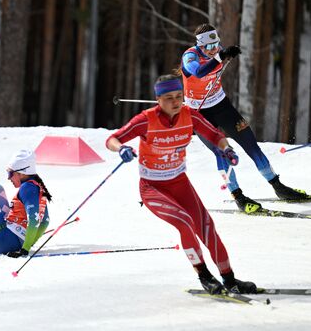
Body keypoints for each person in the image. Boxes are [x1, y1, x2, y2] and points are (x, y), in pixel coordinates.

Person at [106, 75, 257, 295]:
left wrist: (227, 149)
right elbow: (113, 139)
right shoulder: (145, 120)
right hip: (153, 188)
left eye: (179, 96)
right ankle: (204, 276)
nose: (176, 102)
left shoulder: (190, 115)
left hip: (181, 184)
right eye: (169, 98)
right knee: (184, 222)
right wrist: (121, 148)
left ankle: (230, 279)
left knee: (207, 228)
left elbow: (215, 135)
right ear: (158, 99)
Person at [179, 23, 309, 213]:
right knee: (223, 151)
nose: (212, 49)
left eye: (215, 44)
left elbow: (218, 57)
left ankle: (278, 186)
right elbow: (199, 72)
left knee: (250, 143)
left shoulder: (217, 51)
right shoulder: (190, 56)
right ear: (199, 45)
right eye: (207, 47)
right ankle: (238, 197)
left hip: (222, 106)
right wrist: (220, 57)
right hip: (199, 114)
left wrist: (226, 54)